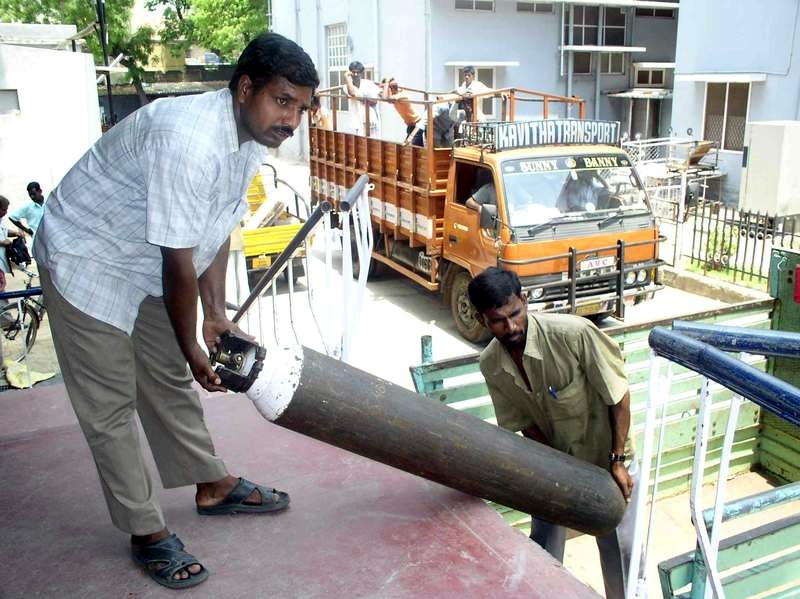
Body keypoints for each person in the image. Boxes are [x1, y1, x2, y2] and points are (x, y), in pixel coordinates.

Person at [32, 32, 318, 590]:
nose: (293, 119)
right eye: (284, 101)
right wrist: (192, 343)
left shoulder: (251, 141)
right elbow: (177, 259)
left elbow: (218, 228)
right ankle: (146, 531)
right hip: (86, 256)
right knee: (111, 401)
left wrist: (214, 313)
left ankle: (210, 484)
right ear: (244, 88)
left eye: (302, 108)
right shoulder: (187, 139)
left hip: (144, 263)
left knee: (164, 377)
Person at [467, 268, 637, 599]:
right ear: (481, 319)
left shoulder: (574, 334)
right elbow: (523, 421)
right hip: (555, 464)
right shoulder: (490, 364)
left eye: (515, 313)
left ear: (525, 301)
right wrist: (556, 471)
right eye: (499, 321)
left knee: (621, 550)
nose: (511, 327)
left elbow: (619, 396)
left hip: (609, 460)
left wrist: (618, 461)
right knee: (544, 542)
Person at [380, 77, 424, 146]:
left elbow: (385, 98)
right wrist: (385, 86)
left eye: (394, 86)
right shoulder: (395, 96)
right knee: (417, 150)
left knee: (408, 148)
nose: (394, 88)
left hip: (417, 125)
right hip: (411, 126)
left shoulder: (401, 95)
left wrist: (386, 84)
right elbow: (384, 96)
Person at [344, 60, 381, 136]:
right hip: (358, 120)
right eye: (353, 72)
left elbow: (375, 100)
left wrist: (363, 99)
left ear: (361, 73)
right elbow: (352, 93)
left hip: (371, 119)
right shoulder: (347, 86)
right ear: (350, 73)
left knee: (373, 143)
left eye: (358, 72)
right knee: (361, 144)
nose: (356, 74)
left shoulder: (368, 84)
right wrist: (347, 77)